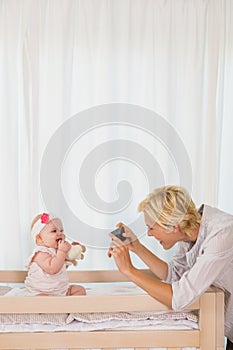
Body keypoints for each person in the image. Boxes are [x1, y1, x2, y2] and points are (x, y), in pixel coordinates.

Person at [108, 185, 233, 349]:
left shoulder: (221, 235)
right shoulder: (188, 233)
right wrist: (137, 247)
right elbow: (174, 274)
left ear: (173, 226)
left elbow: (180, 297)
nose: (150, 234)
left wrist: (129, 271)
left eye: (151, 228)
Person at [24, 212, 86, 296]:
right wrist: (62, 252)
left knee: (80, 290)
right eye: (54, 231)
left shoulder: (58, 250)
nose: (60, 233)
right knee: (42, 299)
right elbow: (52, 269)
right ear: (40, 239)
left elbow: (60, 268)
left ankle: (69, 307)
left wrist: (70, 255)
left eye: (61, 230)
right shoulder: (40, 253)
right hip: (41, 291)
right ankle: (54, 306)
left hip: (60, 290)